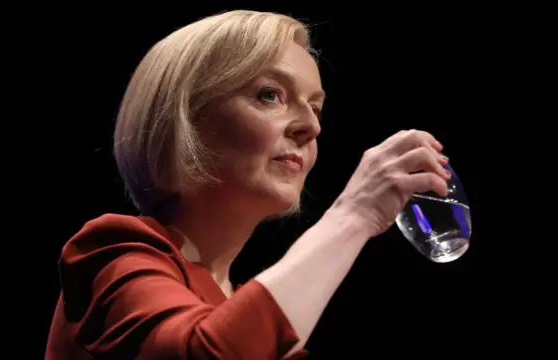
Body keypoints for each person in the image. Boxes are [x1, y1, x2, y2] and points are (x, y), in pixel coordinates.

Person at [45, 9, 451, 360]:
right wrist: (351, 216)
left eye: (315, 107)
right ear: (186, 122)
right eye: (270, 95)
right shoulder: (111, 255)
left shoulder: (244, 312)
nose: (311, 126)